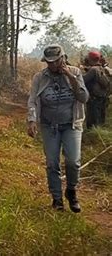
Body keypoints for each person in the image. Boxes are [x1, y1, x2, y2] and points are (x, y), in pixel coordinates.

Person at [27, 45, 89, 213]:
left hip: (71, 125)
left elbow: (83, 97)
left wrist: (69, 76)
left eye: (56, 62)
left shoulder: (75, 72)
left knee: (73, 161)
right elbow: (33, 100)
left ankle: (71, 191)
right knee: (52, 162)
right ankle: (57, 199)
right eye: (49, 63)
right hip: (49, 126)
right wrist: (32, 120)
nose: (53, 66)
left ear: (63, 58)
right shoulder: (40, 77)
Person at [83, 51, 110, 128]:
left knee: (92, 122)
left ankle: (93, 137)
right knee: (100, 120)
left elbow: (83, 80)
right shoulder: (102, 68)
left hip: (94, 99)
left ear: (89, 59)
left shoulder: (93, 70)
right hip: (102, 98)